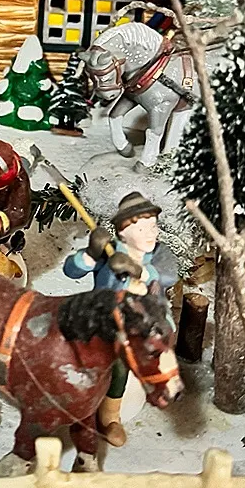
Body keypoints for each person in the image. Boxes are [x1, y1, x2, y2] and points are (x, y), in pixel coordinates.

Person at [63, 191, 178, 447]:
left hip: (141, 324)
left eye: (153, 226)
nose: (151, 234)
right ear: (123, 233)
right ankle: (77, 409)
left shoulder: (159, 254)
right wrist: (91, 254)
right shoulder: (110, 252)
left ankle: (110, 417)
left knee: (120, 363)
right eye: (142, 228)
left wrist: (140, 271)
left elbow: (169, 276)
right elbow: (71, 271)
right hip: (102, 319)